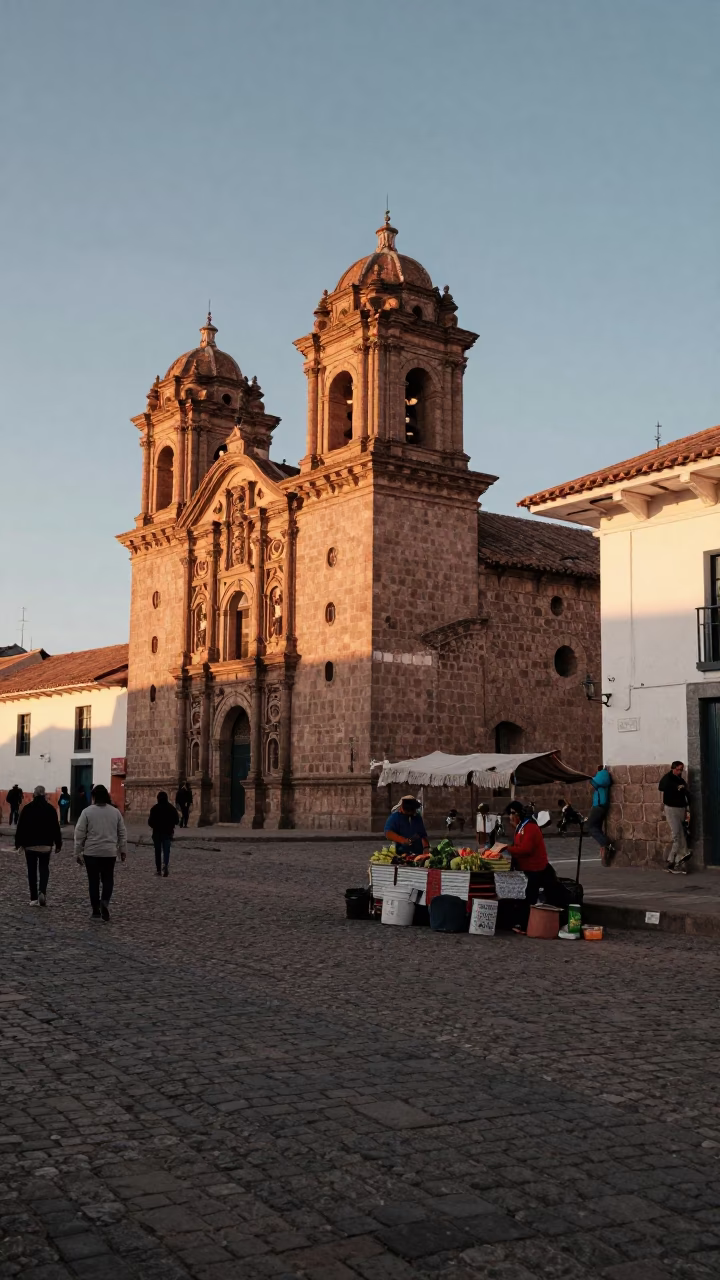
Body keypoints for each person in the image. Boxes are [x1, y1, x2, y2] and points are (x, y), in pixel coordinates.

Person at [498, 800, 557, 934]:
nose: (510, 817)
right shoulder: (521, 827)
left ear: (518, 814)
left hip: (535, 868)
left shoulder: (529, 827)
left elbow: (526, 849)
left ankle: (524, 925)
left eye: (512, 814)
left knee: (528, 896)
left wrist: (507, 848)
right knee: (523, 895)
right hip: (527, 868)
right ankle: (520, 922)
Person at [74, 784, 127, 921]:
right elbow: (122, 832)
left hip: (91, 852)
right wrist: (123, 850)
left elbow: (79, 834)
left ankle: (96, 910)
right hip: (109, 853)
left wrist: (77, 852)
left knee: (93, 881)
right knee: (108, 879)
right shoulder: (115, 812)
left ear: (94, 797)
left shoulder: (87, 812)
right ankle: (105, 901)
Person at [14, 784, 62, 906]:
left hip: (30, 845)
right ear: (44, 794)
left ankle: (34, 898)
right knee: (44, 868)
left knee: (32, 871)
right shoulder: (51, 809)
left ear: (33, 795)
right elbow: (56, 828)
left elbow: (20, 827)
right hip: (46, 845)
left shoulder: (27, 809)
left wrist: (18, 843)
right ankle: (43, 891)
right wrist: (58, 843)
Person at [658, 761, 691, 874]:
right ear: (673, 768)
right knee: (677, 833)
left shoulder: (681, 780)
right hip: (671, 809)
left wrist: (687, 811)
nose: (679, 772)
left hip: (681, 809)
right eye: (677, 769)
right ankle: (677, 858)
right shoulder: (668, 778)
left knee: (682, 834)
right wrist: (674, 786)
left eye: (681, 770)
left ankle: (674, 862)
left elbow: (686, 795)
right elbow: (661, 787)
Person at [587, 767, 616, 866]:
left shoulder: (602, 775)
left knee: (590, 826)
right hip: (600, 805)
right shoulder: (602, 775)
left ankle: (606, 843)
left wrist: (592, 777)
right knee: (597, 827)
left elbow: (595, 782)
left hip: (599, 805)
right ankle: (604, 850)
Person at [148, 791, 179, 876]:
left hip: (157, 833)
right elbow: (177, 821)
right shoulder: (171, 808)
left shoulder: (154, 808)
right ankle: (165, 865)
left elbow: (150, 822)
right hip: (168, 833)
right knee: (166, 850)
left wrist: (155, 826)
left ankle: (158, 870)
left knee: (157, 851)